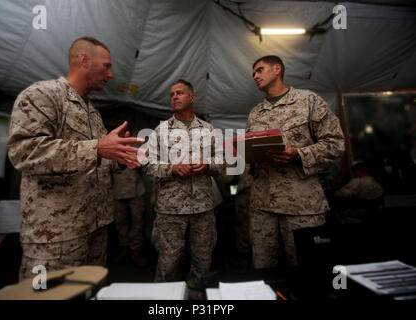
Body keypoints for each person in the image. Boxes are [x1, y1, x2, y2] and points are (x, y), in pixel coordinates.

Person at [7, 36, 144, 280]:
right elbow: (25, 153)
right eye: (106, 66)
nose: (111, 74)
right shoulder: (42, 96)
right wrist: (98, 148)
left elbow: (99, 160)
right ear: (84, 60)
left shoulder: (92, 113)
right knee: (47, 298)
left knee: (87, 292)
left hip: (94, 230)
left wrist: (122, 157)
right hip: (56, 238)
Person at [246, 55, 345, 269]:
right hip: (262, 206)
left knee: (307, 269)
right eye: (253, 73)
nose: (255, 76)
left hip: (302, 206)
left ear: (277, 69)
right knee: (264, 268)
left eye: (260, 70)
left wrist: (298, 154)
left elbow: (336, 144)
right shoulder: (255, 113)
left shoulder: (308, 101)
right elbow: (250, 156)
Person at [145, 80, 224, 299]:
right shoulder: (160, 131)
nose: (175, 97)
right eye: (171, 94)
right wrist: (173, 168)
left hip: (202, 207)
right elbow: (149, 166)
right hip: (171, 209)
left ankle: (197, 296)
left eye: (180, 93)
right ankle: (165, 298)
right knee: (168, 260)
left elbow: (222, 162)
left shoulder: (208, 130)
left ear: (192, 97)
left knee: (203, 259)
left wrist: (208, 165)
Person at [113, 167, 147, 266]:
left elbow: (145, 164)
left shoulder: (140, 150)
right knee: (120, 222)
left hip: (136, 189)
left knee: (138, 222)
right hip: (117, 190)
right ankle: (125, 247)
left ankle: (135, 250)